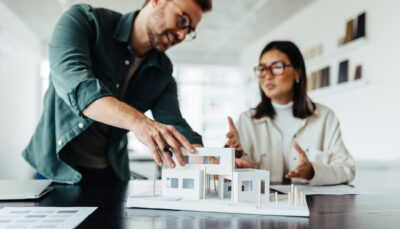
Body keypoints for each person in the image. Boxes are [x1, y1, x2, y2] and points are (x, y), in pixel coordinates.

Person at [22, 0, 212, 184]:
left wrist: (213, 164)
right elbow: (79, 88)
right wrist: (140, 123)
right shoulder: (83, 21)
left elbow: (175, 125)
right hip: (56, 169)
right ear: (156, 1)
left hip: (110, 175)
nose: (181, 35)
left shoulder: (162, 71)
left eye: (189, 31)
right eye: (183, 21)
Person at [226, 41, 355, 185]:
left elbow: (347, 169)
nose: (268, 75)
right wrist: (232, 153)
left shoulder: (325, 117)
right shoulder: (246, 121)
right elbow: (227, 174)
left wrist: (312, 172)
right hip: (262, 204)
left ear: (297, 72)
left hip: (311, 205)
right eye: (262, 69)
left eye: (277, 67)